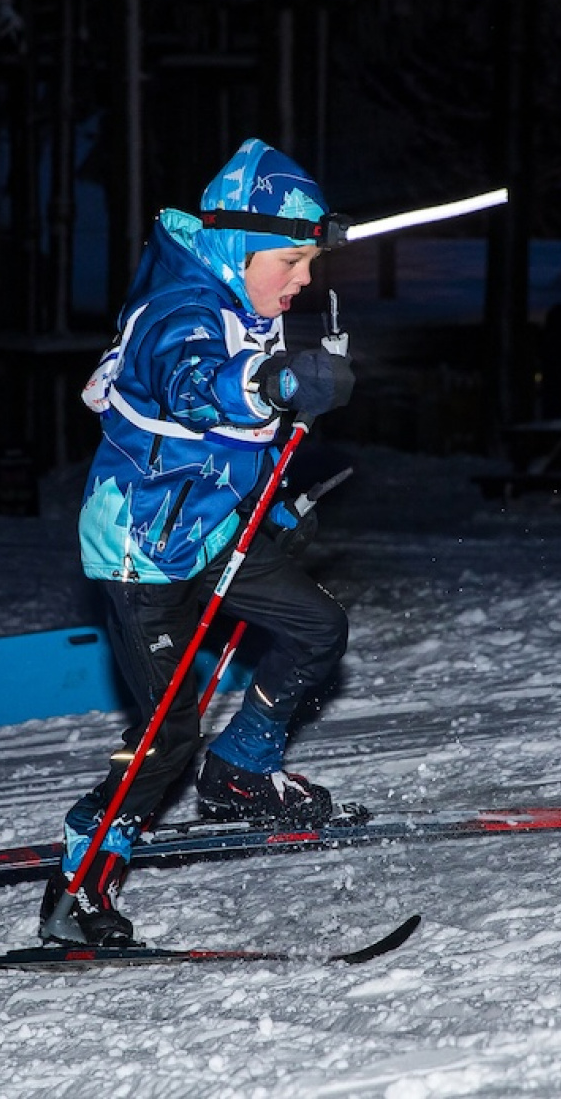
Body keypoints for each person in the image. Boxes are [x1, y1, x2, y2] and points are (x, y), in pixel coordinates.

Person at [40, 139, 356, 946]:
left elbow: (220, 448)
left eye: (310, 263)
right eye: (291, 260)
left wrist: (271, 507)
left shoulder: (246, 307)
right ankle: (80, 881)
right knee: (166, 735)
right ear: (241, 247)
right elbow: (192, 384)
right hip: (143, 548)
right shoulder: (179, 308)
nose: (303, 278)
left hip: (210, 529)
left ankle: (241, 769)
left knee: (318, 627)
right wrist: (272, 383)